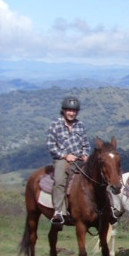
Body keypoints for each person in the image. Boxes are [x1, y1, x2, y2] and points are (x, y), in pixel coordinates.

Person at [46, 96, 90, 225]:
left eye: (74, 111)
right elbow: (51, 145)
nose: (71, 113)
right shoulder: (55, 125)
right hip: (62, 159)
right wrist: (65, 155)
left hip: (79, 159)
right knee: (60, 181)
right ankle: (59, 211)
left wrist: (85, 154)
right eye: (69, 110)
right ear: (64, 111)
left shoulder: (80, 125)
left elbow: (86, 144)